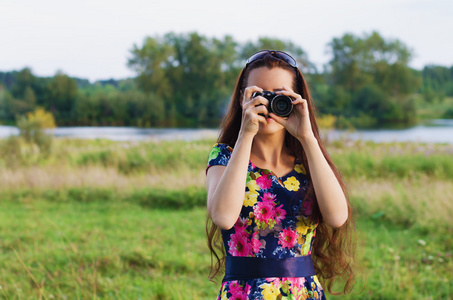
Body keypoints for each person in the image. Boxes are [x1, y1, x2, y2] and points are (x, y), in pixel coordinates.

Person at [206, 50, 355, 299]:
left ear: (296, 99)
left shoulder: (309, 157)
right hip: (244, 293)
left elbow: (337, 217)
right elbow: (223, 216)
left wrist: (307, 137)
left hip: (303, 293)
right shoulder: (224, 155)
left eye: (279, 95)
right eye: (259, 95)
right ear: (242, 100)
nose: (268, 104)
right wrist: (246, 134)